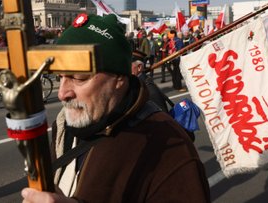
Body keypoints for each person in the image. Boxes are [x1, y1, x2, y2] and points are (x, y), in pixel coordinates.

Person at [21, 14, 210, 202]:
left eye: (78, 77)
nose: (62, 93)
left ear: (119, 78)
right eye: (59, 77)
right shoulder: (63, 126)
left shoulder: (169, 149)